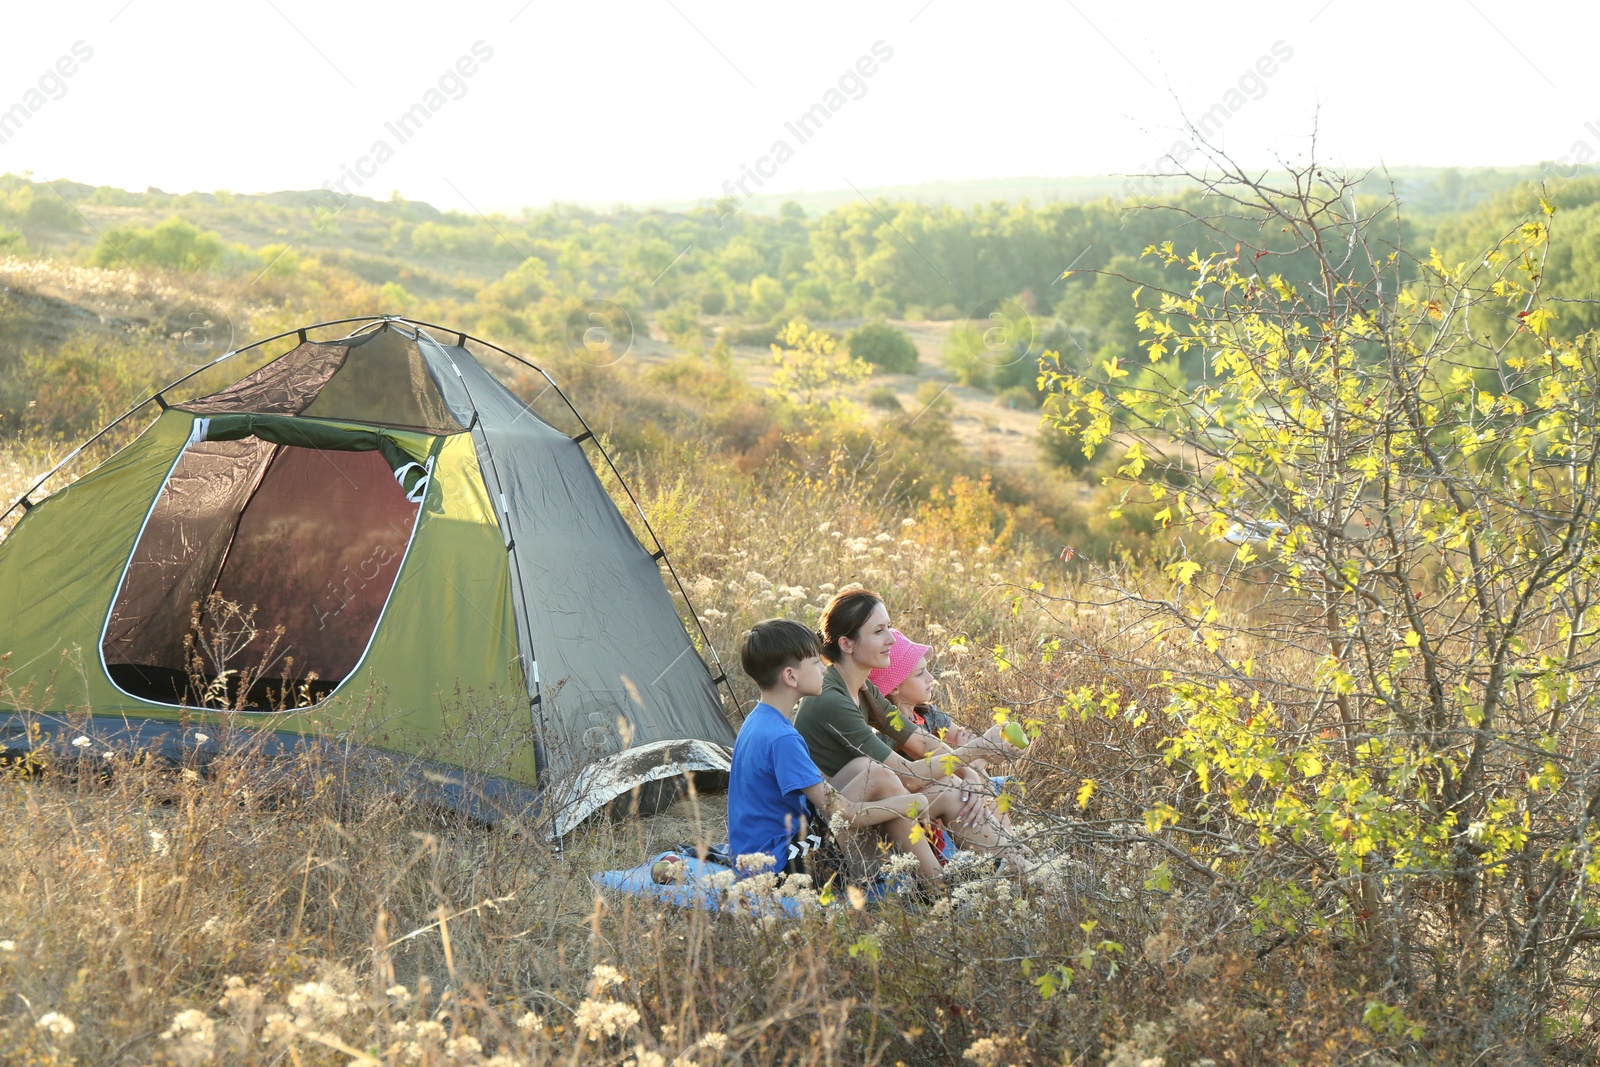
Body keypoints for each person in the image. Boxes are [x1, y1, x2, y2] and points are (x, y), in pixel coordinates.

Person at [793, 590, 1031, 873]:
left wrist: (967, 774)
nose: (891, 639)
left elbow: (924, 742)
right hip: (832, 832)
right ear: (847, 643)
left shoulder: (863, 691)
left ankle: (1010, 864)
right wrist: (977, 749)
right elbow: (911, 777)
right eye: (879, 631)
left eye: (889, 627)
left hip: (866, 811)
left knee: (956, 789)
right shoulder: (833, 700)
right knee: (935, 786)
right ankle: (962, 880)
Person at [726, 618, 941, 882]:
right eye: (815, 663)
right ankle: (934, 882)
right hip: (777, 865)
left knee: (869, 770)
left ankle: (920, 874)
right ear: (791, 676)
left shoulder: (759, 720)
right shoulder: (782, 737)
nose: (823, 670)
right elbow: (845, 811)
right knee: (887, 794)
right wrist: (911, 803)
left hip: (760, 851)